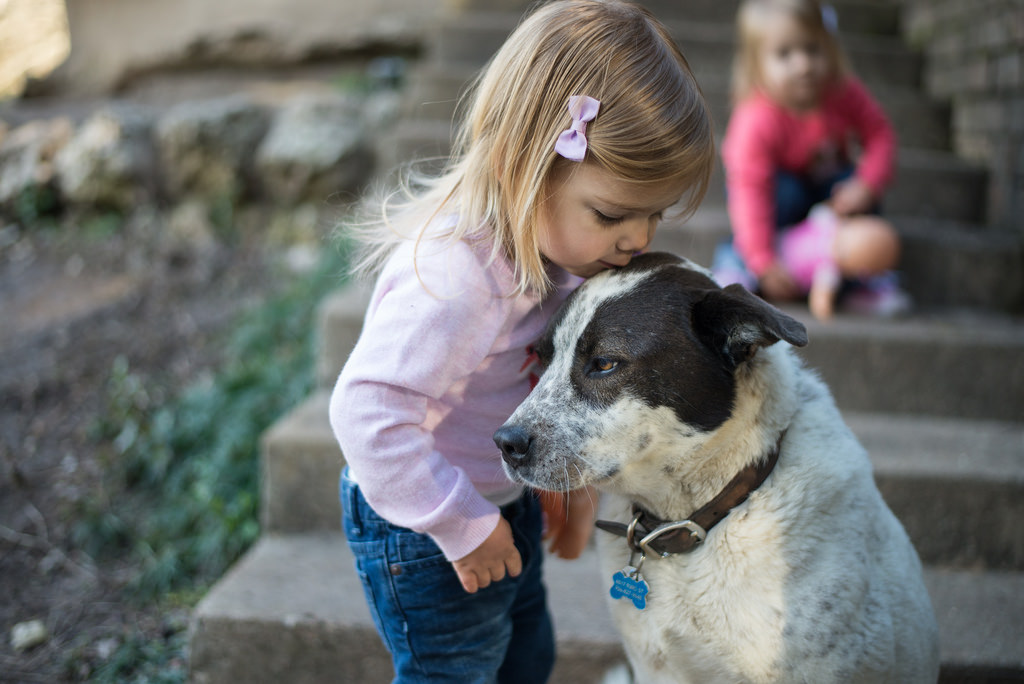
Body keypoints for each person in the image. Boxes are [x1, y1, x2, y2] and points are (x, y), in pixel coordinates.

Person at [329, 1, 715, 682]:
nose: (640, 239)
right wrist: (461, 525)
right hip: (423, 524)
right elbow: (365, 414)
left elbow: (539, 388)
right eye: (612, 213)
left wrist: (566, 492)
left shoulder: (567, 260)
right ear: (525, 166)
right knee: (455, 671)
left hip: (496, 503)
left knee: (525, 659)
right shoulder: (458, 282)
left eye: (653, 213)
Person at [713, 0, 908, 320]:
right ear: (757, 63)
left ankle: (857, 279)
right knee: (783, 193)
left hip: (830, 204)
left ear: (829, 47)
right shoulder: (755, 117)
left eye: (813, 49)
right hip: (776, 207)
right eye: (785, 54)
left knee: (856, 192)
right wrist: (762, 258)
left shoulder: (840, 91)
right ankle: (738, 264)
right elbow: (749, 189)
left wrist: (867, 184)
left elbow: (880, 133)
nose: (803, 64)